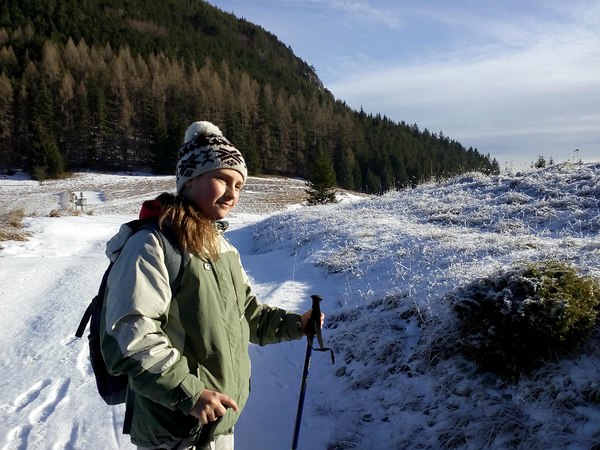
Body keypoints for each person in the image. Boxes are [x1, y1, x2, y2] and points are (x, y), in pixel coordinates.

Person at [101, 121, 320, 450]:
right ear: (189, 180)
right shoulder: (153, 244)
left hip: (216, 423)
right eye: (222, 179)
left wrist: (296, 325)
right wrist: (189, 392)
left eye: (239, 185)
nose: (233, 193)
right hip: (174, 430)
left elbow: (248, 314)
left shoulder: (223, 249)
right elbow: (131, 333)